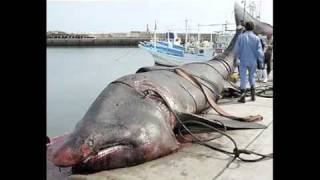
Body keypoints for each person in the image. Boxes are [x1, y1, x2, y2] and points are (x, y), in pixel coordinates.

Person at [233, 21, 264, 103]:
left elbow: (236, 50)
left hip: (243, 61)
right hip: (253, 61)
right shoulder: (257, 38)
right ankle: (253, 96)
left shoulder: (240, 37)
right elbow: (259, 52)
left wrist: (235, 59)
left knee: (243, 78)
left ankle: (242, 98)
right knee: (252, 77)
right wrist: (261, 61)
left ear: (245, 27)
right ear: (253, 28)